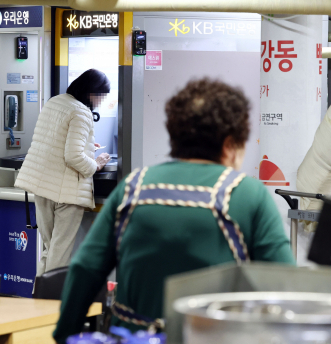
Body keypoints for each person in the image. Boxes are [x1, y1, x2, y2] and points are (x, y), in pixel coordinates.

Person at [52, 78, 295, 343]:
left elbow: (85, 269)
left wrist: (65, 333)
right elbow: (283, 285)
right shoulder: (247, 194)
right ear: (230, 144)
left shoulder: (132, 187)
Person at [15, 69, 112, 277]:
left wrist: (87, 146)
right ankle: (54, 304)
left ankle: (39, 300)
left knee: (49, 250)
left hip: (42, 187)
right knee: (60, 256)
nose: (101, 101)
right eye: (101, 96)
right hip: (66, 193)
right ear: (91, 92)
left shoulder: (56, 102)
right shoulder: (82, 112)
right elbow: (73, 157)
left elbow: (55, 142)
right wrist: (96, 164)